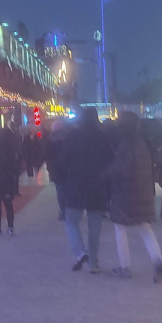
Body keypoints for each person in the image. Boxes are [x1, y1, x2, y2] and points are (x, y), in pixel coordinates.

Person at [106, 112, 162, 282]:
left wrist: (102, 176)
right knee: (145, 229)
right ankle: (157, 260)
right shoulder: (141, 143)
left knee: (120, 229)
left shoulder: (126, 144)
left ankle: (124, 266)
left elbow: (119, 168)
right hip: (143, 193)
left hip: (125, 194)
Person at [62, 107, 113, 273]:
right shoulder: (103, 138)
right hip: (97, 186)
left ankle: (80, 252)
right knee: (95, 226)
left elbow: (64, 160)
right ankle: (93, 263)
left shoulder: (72, 137)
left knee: (71, 221)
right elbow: (109, 161)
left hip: (75, 184)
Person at [46, 120, 68, 221]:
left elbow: (47, 155)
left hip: (57, 169)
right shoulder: (69, 137)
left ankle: (63, 211)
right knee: (68, 189)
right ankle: (70, 210)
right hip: (69, 168)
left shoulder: (50, 139)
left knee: (60, 191)